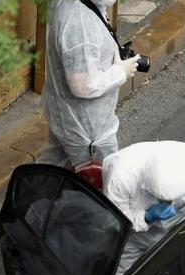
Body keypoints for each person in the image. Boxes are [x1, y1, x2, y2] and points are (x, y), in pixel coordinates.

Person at [40, 0, 140, 169]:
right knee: (103, 186)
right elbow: (84, 84)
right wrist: (120, 72)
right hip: (88, 131)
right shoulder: (80, 23)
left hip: (66, 117)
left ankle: (31, 193)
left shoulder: (70, 4)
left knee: (52, 173)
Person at [103, 141, 185, 275]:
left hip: (175, 232)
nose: (167, 205)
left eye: (172, 201)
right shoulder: (120, 176)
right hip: (133, 238)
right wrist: (146, 217)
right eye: (159, 199)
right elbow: (116, 222)